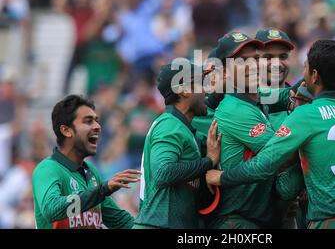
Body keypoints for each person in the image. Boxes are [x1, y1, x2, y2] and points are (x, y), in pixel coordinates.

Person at [207, 39, 335, 229]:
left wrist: (221, 177)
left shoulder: (305, 115)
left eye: (306, 67)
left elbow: (266, 165)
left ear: (314, 75)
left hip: (331, 220)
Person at [208, 31, 301, 229]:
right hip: (238, 222)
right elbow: (280, 155)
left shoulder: (257, 96)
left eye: (256, 59)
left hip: (257, 219)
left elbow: (288, 93)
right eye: (242, 61)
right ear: (224, 72)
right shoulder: (234, 110)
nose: (252, 66)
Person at [133, 60, 221, 229]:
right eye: (199, 84)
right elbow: (162, 173)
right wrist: (208, 161)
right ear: (184, 90)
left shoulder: (181, 126)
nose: (204, 90)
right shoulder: (169, 125)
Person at [32, 95, 140, 229]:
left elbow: (121, 221)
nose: (97, 126)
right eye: (88, 121)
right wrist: (103, 190)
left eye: (97, 121)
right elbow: (51, 210)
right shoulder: (48, 169)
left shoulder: (92, 173)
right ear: (66, 130)